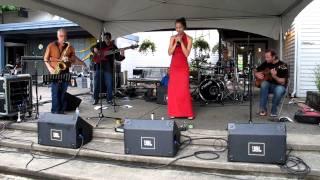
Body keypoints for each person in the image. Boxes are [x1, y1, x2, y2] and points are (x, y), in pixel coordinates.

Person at [44, 28, 76, 114]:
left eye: (65, 36)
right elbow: (45, 59)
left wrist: (68, 58)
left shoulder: (70, 47)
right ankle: (55, 111)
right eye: (61, 36)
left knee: (63, 93)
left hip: (65, 72)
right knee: (55, 92)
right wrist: (50, 68)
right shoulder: (51, 45)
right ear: (58, 36)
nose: (63, 38)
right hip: (55, 71)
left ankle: (61, 111)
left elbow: (74, 59)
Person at [167, 17, 194, 120]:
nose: (178, 29)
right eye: (176, 27)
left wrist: (181, 42)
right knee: (173, 90)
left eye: (180, 27)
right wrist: (175, 43)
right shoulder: (172, 38)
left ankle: (187, 113)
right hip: (174, 66)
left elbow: (187, 54)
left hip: (183, 67)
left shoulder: (189, 39)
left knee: (183, 90)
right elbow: (169, 53)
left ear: (184, 27)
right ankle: (174, 112)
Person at [91, 32, 125, 105]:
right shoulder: (100, 44)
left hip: (108, 67)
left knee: (109, 84)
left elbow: (118, 58)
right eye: (105, 38)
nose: (106, 39)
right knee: (96, 84)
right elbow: (92, 48)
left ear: (110, 38)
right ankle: (95, 99)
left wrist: (122, 54)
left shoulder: (113, 47)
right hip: (99, 66)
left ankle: (109, 99)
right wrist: (95, 50)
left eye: (107, 38)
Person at [254, 49, 288, 117]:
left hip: (280, 86)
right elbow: (255, 70)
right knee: (264, 84)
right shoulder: (267, 63)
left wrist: (274, 76)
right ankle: (263, 109)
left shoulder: (283, 66)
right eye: (265, 57)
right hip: (269, 86)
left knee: (278, 90)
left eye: (268, 57)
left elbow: (283, 81)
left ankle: (274, 110)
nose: (266, 59)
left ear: (274, 57)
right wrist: (256, 74)